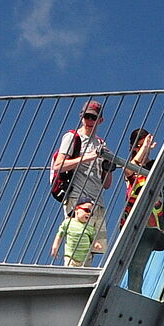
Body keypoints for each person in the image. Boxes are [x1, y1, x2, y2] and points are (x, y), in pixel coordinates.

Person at [51, 100, 117, 250]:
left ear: (101, 120)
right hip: (77, 199)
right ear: (81, 117)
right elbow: (58, 165)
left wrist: (108, 168)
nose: (89, 121)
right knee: (77, 247)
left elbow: (106, 184)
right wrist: (89, 157)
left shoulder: (101, 144)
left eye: (94, 118)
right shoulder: (72, 137)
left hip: (97, 202)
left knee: (94, 249)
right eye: (87, 116)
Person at [56, 198, 106, 267]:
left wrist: (96, 244)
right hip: (71, 258)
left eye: (91, 213)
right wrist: (55, 246)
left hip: (85, 259)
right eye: (86, 210)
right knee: (70, 273)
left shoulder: (89, 227)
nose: (89, 214)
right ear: (77, 209)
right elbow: (60, 234)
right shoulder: (68, 222)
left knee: (86, 271)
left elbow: (93, 239)